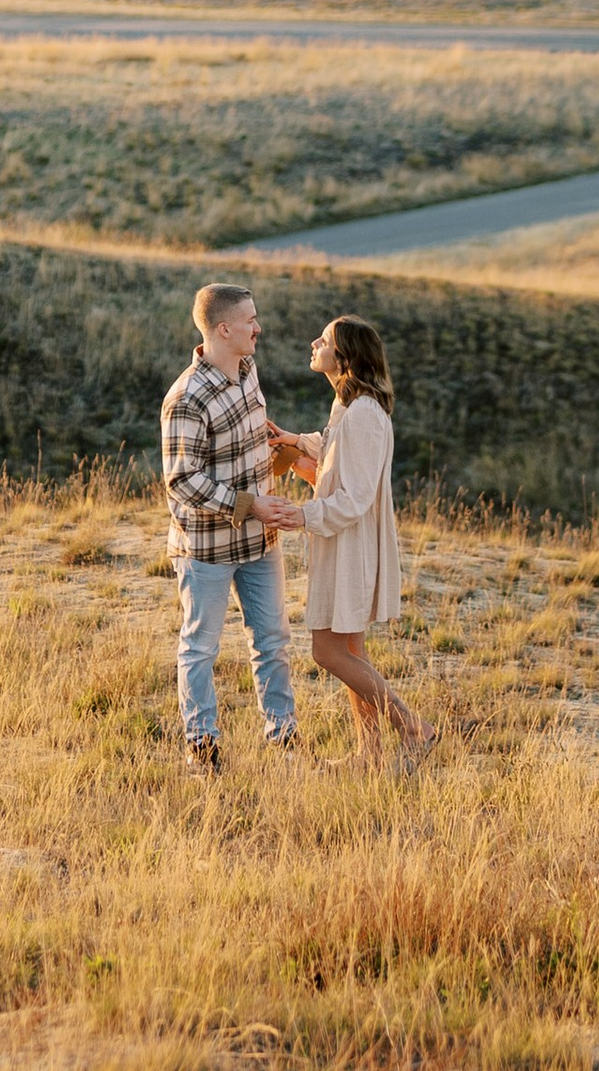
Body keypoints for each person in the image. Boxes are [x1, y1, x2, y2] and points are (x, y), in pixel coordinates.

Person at [259, 315, 425, 761]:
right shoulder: (350, 407)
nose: (314, 343)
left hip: (351, 546)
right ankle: (368, 753)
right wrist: (296, 441)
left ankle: (414, 728)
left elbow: (355, 496)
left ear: (345, 356)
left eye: (325, 340)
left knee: (328, 653)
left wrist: (300, 514)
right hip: (341, 543)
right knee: (352, 651)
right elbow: (336, 447)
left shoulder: (366, 414)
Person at [160, 281, 298, 775]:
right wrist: (250, 505)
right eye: (250, 320)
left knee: (274, 642)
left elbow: (254, 428)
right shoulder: (186, 398)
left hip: (261, 543)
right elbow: (182, 481)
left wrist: (288, 446)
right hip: (207, 549)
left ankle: (284, 741)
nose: (258, 328)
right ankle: (203, 748)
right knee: (201, 647)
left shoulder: (247, 370)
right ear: (223, 328)